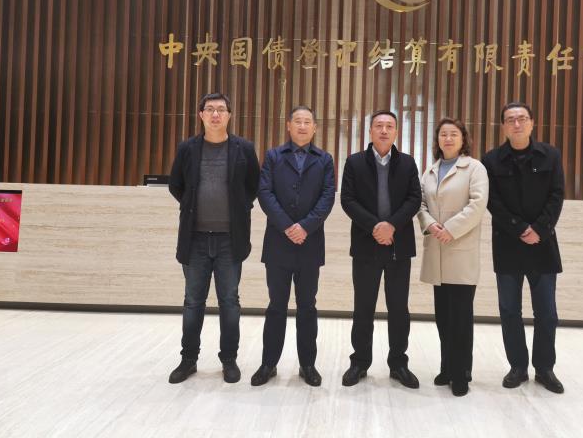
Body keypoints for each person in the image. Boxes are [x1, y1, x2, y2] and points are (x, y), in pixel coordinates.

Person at [167, 93, 260, 384]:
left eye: (221, 109)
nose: (216, 114)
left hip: (230, 240)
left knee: (229, 301)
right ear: (201, 115)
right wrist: (192, 206)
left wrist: (239, 208)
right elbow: (176, 185)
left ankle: (229, 359)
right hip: (194, 239)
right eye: (210, 109)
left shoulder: (244, 148)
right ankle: (188, 359)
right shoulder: (187, 148)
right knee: (193, 301)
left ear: (229, 115)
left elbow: (253, 185)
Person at [481, 102, 565, 394]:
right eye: (510, 120)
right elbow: (492, 201)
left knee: (547, 313)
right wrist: (519, 228)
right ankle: (518, 367)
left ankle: (544, 368)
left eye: (522, 119)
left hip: (543, 244)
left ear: (532, 123)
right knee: (509, 310)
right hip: (508, 244)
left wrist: (539, 229)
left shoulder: (550, 155)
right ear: (503, 126)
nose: (516, 124)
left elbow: (557, 195)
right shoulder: (491, 160)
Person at [251, 106, 336, 387]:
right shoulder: (274, 156)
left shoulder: (324, 160)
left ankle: (307, 365)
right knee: (276, 305)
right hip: (278, 243)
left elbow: (327, 197)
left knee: (307, 306)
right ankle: (268, 364)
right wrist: (288, 226)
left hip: (310, 244)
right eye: (297, 121)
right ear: (288, 125)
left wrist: (305, 227)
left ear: (315, 128)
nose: (302, 126)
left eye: (307, 121)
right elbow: (265, 193)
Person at [340, 110, 422, 388]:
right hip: (366, 244)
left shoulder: (408, 163)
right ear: (370, 131)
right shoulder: (354, 162)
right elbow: (348, 200)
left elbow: (414, 199)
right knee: (363, 307)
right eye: (379, 126)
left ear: (396, 132)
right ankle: (359, 362)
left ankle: (399, 364)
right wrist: (376, 226)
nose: (384, 130)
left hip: (399, 245)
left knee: (399, 308)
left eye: (389, 126)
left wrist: (391, 226)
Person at [417, 118, 489, 397]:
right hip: (437, 249)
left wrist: (451, 228)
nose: (448, 138)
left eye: (453, 134)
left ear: (463, 139)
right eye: (443, 134)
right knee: (443, 317)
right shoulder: (430, 171)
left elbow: (477, 204)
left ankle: (461, 374)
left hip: (460, 252)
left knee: (460, 318)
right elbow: (420, 203)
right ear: (437, 140)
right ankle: (447, 367)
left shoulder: (474, 168)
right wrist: (430, 224)